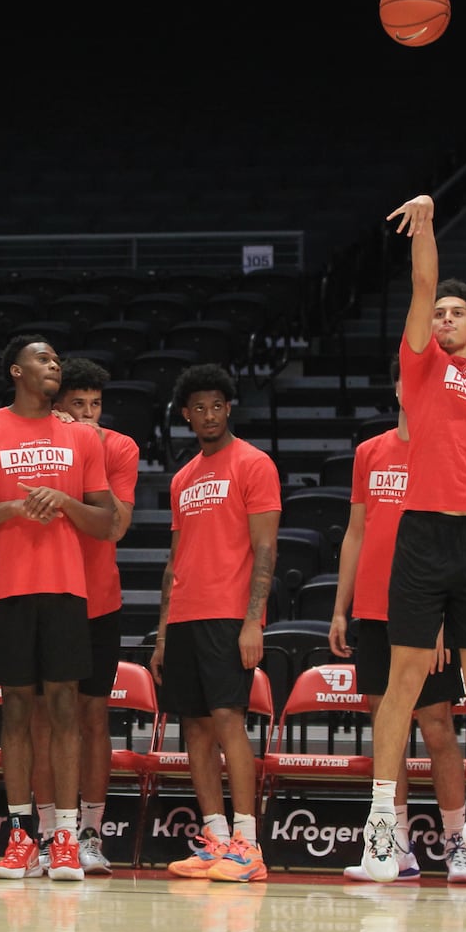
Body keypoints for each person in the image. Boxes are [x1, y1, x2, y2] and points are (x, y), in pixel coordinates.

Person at [362, 170, 466, 888]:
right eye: (442, 314)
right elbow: (421, 288)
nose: (446, 319)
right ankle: (378, 829)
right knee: (400, 685)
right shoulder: (420, 367)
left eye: (458, 313)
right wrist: (426, 223)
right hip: (422, 538)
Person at [0, 335, 115, 882]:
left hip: (68, 589)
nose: (53, 366)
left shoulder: (81, 438)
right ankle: (21, 837)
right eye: (43, 359)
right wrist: (14, 508)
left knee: (65, 708)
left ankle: (64, 837)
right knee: (17, 711)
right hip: (9, 591)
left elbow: (106, 521)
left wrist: (64, 501)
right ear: (16, 370)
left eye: (56, 360)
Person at [328, 357, 466, 883]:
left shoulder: (447, 449)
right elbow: (355, 533)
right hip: (372, 611)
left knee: (436, 728)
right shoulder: (370, 452)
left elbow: (453, 543)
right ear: (397, 387)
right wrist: (341, 608)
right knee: (385, 728)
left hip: (426, 611)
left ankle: (460, 844)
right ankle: (396, 846)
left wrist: (440, 615)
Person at [152, 362, 279, 884]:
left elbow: (265, 548)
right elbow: (174, 562)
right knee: (195, 729)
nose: (208, 414)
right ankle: (216, 840)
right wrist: (162, 635)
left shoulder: (253, 464)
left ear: (229, 408)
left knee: (228, 722)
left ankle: (248, 844)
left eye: (217, 406)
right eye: (198, 407)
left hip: (229, 616)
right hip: (183, 618)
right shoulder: (183, 477)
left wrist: (254, 622)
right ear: (186, 415)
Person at [29, 357, 138, 875]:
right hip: (46, 594)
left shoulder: (119, 447)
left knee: (93, 718)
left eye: (96, 405)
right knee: (46, 719)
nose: (90, 414)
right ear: (57, 406)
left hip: (100, 601)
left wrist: (87, 448)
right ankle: (49, 833)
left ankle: (90, 833)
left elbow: (114, 527)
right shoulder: (38, 444)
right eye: (79, 405)